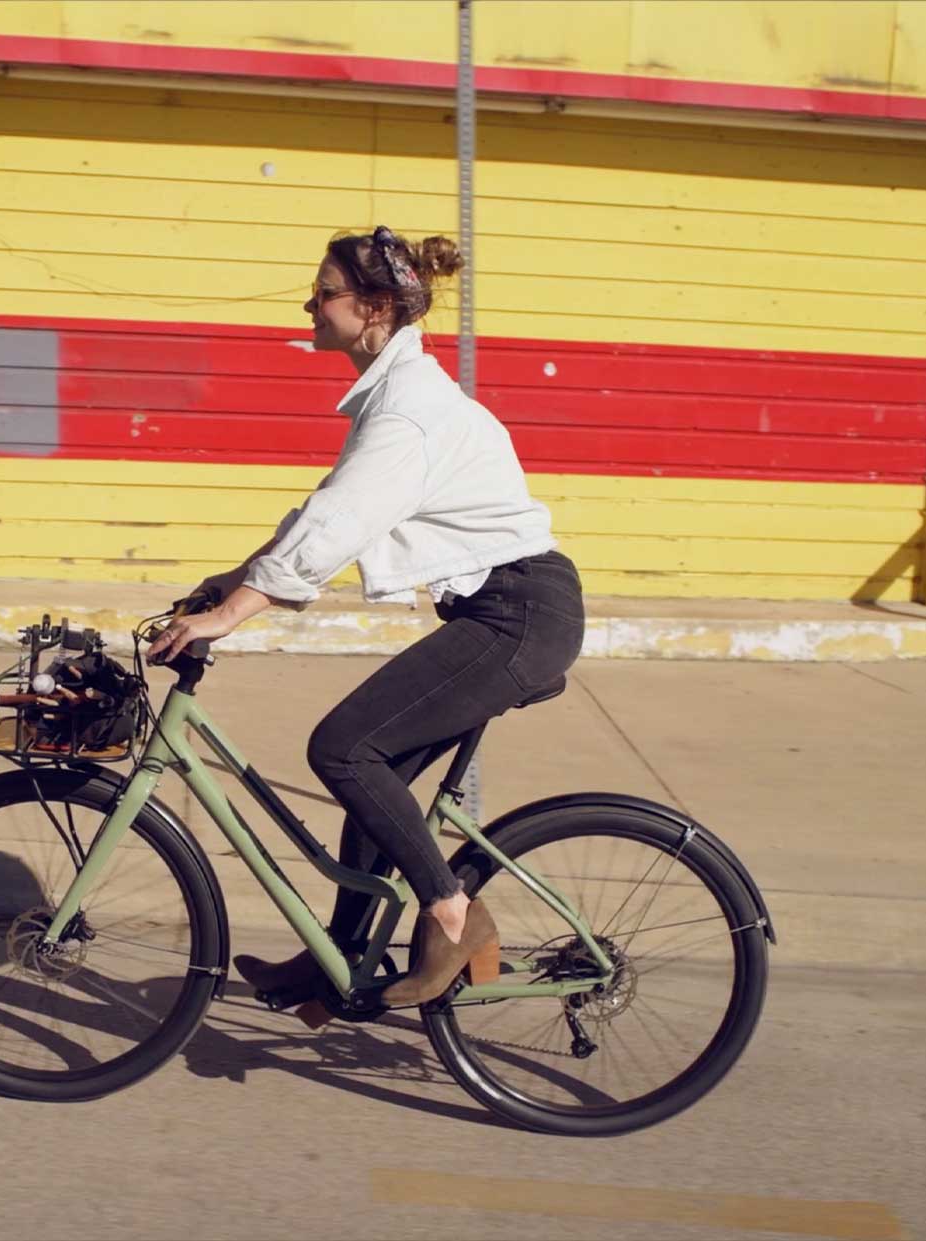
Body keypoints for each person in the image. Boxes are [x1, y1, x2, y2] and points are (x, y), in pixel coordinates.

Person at [145, 226, 586, 1007]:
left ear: (372, 306)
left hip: (519, 615)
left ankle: (456, 920)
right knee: (372, 790)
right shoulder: (394, 396)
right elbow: (324, 511)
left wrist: (236, 613)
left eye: (322, 292)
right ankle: (338, 958)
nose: (308, 304)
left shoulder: (408, 412)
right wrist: (232, 580)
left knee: (344, 749)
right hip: (503, 608)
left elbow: (338, 526)